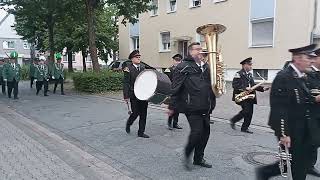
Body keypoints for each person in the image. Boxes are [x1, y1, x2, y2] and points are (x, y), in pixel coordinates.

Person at [256, 44, 320, 180]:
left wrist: (315, 99)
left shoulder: (301, 76)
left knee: (299, 163)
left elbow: (304, 99)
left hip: (303, 128)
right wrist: (284, 134)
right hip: (291, 129)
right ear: (297, 59)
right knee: (296, 164)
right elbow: (279, 108)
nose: (311, 61)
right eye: (308, 58)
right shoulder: (284, 77)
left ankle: (265, 173)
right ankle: (265, 172)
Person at [168, 42, 216, 170]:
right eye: (197, 49)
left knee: (206, 134)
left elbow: (211, 86)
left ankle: (198, 159)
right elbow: (175, 88)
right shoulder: (183, 67)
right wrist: (171, 107)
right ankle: (187, 154)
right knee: (196, 133)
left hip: (206, 106)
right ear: (190, 52)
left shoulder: (206, 66)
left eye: (201, 49)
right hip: (192, 107)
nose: (201, 51)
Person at [230, 57, 269, 134]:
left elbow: (253, 85)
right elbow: (235, 85)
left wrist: (263, 89)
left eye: (251, 64)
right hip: (241, 96)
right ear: (244, 65)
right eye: (249, 64)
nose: (251, 66)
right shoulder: (238, 74)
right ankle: (234, 120)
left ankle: (245, 128)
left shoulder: (250, 75)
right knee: (246, 111)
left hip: (250, 96)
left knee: (250, 112)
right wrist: (245, 88)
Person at [124, 50, 150, 138]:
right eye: (136, 57)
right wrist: (126, 96)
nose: (139, 58)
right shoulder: (128, 68)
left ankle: (141, 132)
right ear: (132, 59)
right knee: (135, 113)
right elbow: (126, 83)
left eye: (139, 57)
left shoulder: (143, 67)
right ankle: (129, 123)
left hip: (144, 95)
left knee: (144, 114)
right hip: (134, 95)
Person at [304, 48, 320, 177]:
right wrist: (315, 98)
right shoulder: (305, 75)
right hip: (308, 115)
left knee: (315, 142)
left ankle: (310, 165)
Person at [164, 54, 183, 130]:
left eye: (179, 61)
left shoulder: (182, 70)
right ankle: (169, 123)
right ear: (173, 61)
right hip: (171, 92)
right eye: (176, 60)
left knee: (177, 109)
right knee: (171, 108)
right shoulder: (169, 70)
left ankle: (175, 123)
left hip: (179, 92)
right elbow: (165, 81)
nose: (177, 62)